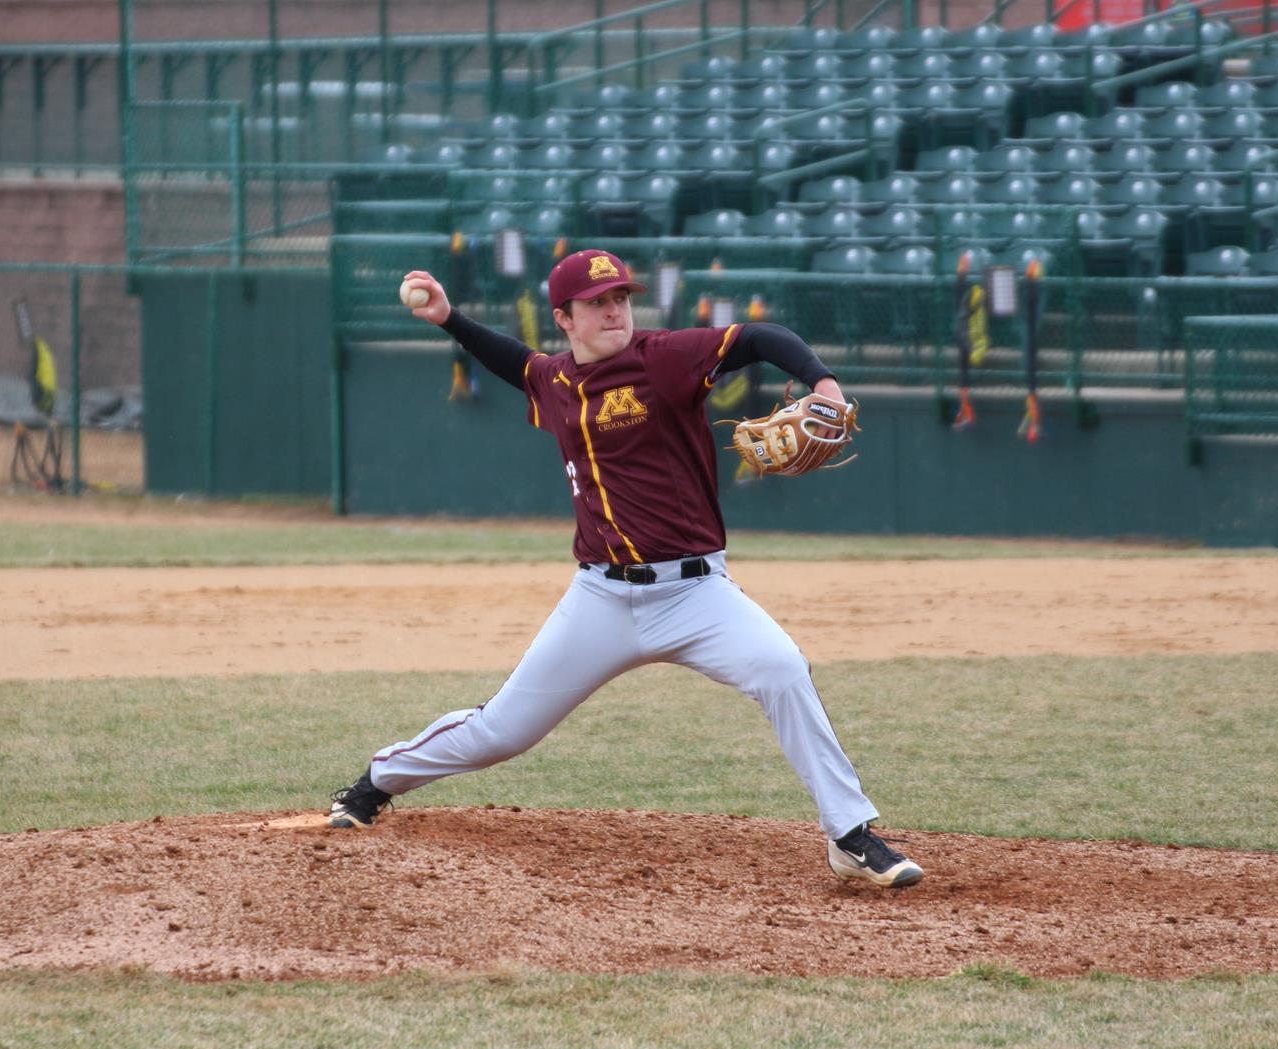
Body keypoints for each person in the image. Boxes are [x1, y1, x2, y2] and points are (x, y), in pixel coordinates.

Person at [326, 248, 923, 889]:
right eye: (597, 303)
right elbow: (515, 363)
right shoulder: (554, 381)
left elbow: (759, 337)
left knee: (782, 669)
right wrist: (450, 319)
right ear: (565, 319)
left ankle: (849, 834)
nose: (614, 311)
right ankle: (376, 782)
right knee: (502, 732)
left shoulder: (664, 358)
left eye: (620, 298)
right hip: (601, 601)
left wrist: (822, 383)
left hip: (696, 595)